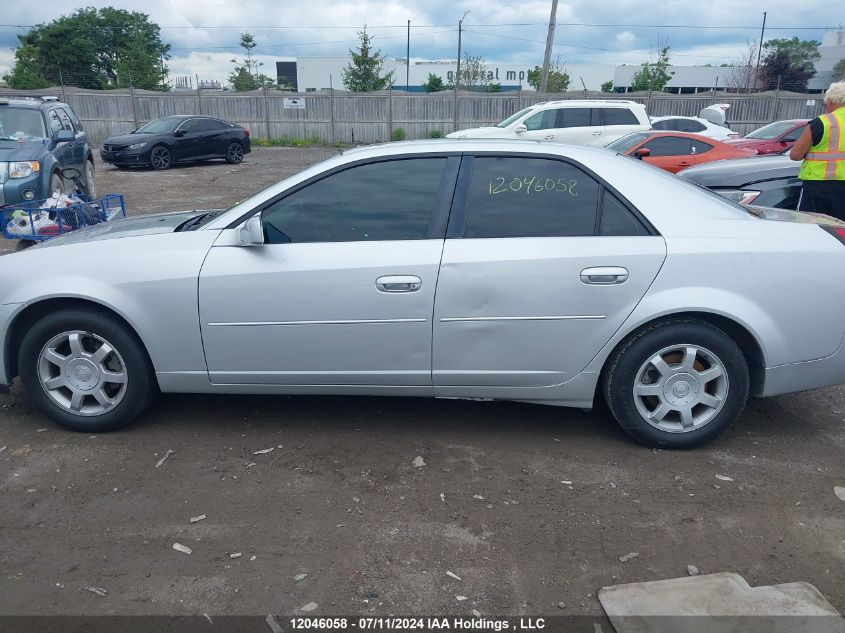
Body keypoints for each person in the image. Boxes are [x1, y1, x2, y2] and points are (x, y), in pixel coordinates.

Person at [789, 81, 845, 219]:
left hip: (819, 187)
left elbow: (795, 155)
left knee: (812, 226)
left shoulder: (823, 122)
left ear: (832, 100)